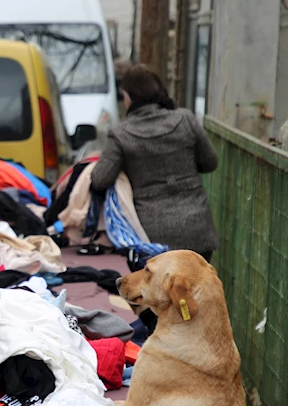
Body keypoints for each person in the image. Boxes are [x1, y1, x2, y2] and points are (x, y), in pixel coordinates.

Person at [91, 64, 219, 261]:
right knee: (195, 289)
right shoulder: (186, 119)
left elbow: (99, 179)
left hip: (153, 239)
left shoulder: (121, 134)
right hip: (197, 232)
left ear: (128, 97)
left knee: (161, 292)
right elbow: (210, 162)